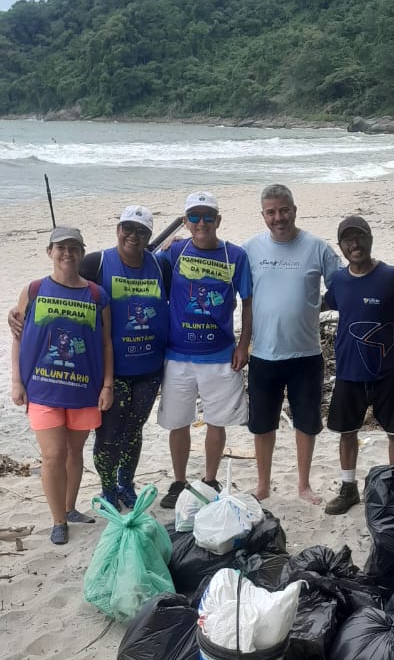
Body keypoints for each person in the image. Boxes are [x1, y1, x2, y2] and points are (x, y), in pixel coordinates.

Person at [9, 205, 172, 510]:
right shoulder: (97, 262)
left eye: (141, 231)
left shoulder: (161, 266)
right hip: (110, 373)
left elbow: (180, 299)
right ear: (117, 230)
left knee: (134, 431)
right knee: (109, 436)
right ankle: (108, 489)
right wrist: (19, 312)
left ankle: (126, 484)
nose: (133, 236)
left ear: (149, 235)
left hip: (149, 368)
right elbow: (61, 283)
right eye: (127, 228)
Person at [10, 226, 113, 545]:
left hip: (84, 389)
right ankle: (58, 521)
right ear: (50, 252)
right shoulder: (34, 289)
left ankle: (69, 508)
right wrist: (16, 380)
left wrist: (107, 385)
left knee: (73, 452)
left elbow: (106, 343)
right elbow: (18, 337)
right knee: (53, 454)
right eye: (60, 247)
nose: (67, 253)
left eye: (73, 247)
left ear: (82, 253)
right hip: (43, 388)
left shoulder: (96, 294)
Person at [244, 183, 340, 504]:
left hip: (307, 354)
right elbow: (220, 278)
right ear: (263, 216)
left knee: (307, 422)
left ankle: (303, 484)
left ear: (294, 210)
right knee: (262, 425)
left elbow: (343, 284)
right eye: (271, 212)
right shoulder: (250, 250)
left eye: (284, 210)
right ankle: (262, 484)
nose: (278, 217)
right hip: (263, 354)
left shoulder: (317, 247)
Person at [157, 191, 252, 508]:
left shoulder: (235, 256)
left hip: (220, 354)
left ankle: (210, 479)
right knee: (178, 422)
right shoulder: (175, 252)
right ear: (185, 222)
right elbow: (136, 269)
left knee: (216, 421)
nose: (201, 223)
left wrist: (243, 344)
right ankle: (179, 482)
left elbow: (249, 302)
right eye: (194, 217)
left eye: (208, 216)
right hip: (177, 354)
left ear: (218, 220)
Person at [323, 215, 394, 514]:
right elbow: (333, 305)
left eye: (360, 237)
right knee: (347, 432)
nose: (355, 244)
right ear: (341, 246)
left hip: (387, 370)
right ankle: (349, 488)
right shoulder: (337, 279)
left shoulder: (392, 277)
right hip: (349, 370)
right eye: (348, 240)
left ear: (370, 239)